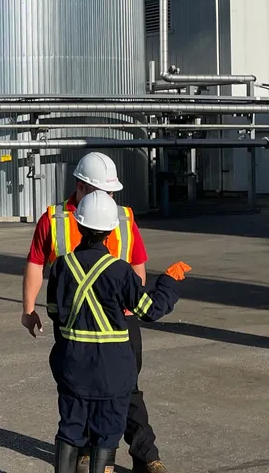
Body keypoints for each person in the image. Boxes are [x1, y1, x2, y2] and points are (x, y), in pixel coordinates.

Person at [21, 152, 169, 473]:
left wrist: (129, 300)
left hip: (119, 320)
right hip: (76, 324)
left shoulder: (124, 217)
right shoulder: (55, 219)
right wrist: (28, 309)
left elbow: (137, 264)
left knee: (124, 388)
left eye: (113, 192)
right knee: (95, 391)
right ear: (82, 186)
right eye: (106, 192)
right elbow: (36, 263)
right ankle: (98, 452)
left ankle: (145, 455)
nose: (112, 198)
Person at [46, 190, 190, 473]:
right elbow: (149, 310)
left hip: (73, 366)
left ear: (78, 225)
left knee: (70, 429)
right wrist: (168, 283)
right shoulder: (120, 271)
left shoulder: (62, 266)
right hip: (113, 371)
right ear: (112, 230)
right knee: (106, 433)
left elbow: (54, 311)